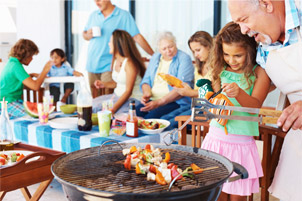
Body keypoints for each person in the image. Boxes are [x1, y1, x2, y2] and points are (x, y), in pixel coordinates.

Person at [228, 0, 302, 200]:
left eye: (244, 20)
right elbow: (256, 97)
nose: (243, 31)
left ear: (266, 4)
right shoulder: (263, 48)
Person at [201, 22, 271, 201]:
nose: (231, 60)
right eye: (226, 54)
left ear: (250, 50)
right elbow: (215, 101)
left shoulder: (259, 72)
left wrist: (239, 93)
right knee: (217, 194)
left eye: (238, 55)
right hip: (216, 139)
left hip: (240, 144)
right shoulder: (220, 70)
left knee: (237, 196)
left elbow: (255, 105)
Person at [83, 0, 154, 98]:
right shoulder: (93, 15)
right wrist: (87, 35)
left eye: (99, 0)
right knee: (95, 102)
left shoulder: (123, 15)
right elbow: (85, 34)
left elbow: (136, 37)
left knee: (107, 101)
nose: (97, 3)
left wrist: (154, 55)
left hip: (109, 64)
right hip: (92, 63)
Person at [136, 31, 194, 120]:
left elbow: (182, 87)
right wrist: (147, 93)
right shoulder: (155, 57)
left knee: (149, 119)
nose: (168, 51)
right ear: (159, 49)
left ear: (175, 44)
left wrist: (159, 102)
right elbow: (146, 81)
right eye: (164, 49)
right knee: (134, 114)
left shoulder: (184, 58)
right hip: (153, 99)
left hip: (174, 102)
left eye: (171, 46)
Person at [161, 31, 213, 129]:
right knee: (165, 118)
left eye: (198, 50)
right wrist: (184, 88)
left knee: (169, 124)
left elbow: (213, 91)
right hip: (196, 105)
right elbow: (194, 91)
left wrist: (189, 92)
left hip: (209, 108)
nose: (196, 54)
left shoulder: (217, 67)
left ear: (209, 46)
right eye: (193, 51)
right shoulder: (200, 66)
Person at [93, 30, 145, 115]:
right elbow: (119, 84)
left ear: (118, 44)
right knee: (92, 105)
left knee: (101, 112)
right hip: (117, 96)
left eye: (110, 42)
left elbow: (128, 91)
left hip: (132, 100)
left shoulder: (129, 63)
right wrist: (104, 84)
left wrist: (112, 110)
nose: (108, 44)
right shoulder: (116, 60)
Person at [0, 39, 52, 119]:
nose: (32, 59)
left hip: (10, 101)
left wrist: (32, 75)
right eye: (31, 56)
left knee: (40, 113)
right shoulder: (16, 66)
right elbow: (35, 86)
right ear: (25, 55)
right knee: (37, 116)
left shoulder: (12, 63)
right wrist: (44, 70)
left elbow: (15, 79)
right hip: (8, 103)